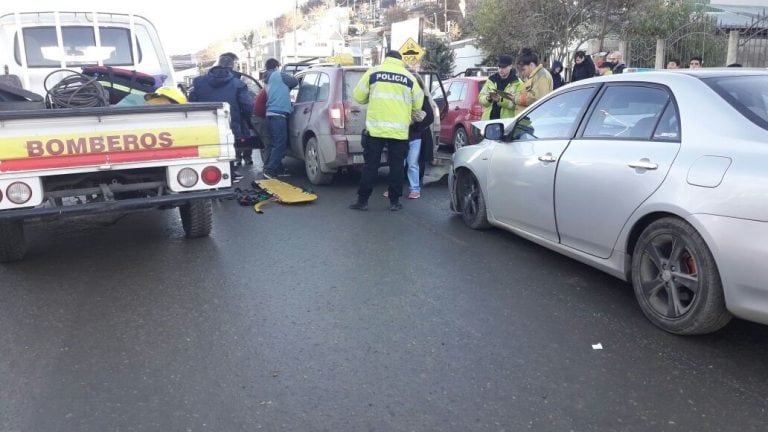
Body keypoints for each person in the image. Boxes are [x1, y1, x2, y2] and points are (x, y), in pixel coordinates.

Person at [348, 50, 424, 212]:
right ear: (400, 61)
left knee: (370, 166)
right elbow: (418, 103)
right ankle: (394, 202)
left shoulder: (374, 72)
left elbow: (358, 96)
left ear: (386, 59)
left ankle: (363, 201)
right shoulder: (409, 77)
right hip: (399, 132)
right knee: (396, 167)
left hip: (376, 130)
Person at [189, 53, 253, 182]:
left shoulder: (198, 81)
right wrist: (247, 118)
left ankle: (206, 174)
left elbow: (191, 101)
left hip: (204, 123)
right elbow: (247, 105)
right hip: (229, 122)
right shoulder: (238, 84)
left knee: (207, 148)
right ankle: (229, 173)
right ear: (231, 68)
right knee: (228, 148)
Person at [262, 58, 299, 179]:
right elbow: (294, 81)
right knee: (279, 144)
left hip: (270, 114)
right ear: (277, 66)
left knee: (274, 143)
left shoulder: (267, 79)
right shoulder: (278, 74)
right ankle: (270, 170)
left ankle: (278, 169)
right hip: (278, 115)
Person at [479, 54, 522, 120]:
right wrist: (488, 98)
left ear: (510, 66)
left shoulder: (518, 83)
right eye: (499, 67)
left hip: (506, 123)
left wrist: (500, 100)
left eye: (503, 67)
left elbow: (517, 105)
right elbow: (480, 98)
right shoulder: (491, 80)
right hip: (489, 122)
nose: (500, 70)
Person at [513, 48, 554, 112]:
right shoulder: (533, 76)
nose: (522, 73)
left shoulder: (542, 76)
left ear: (531, 65)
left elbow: (537, 98)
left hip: (536, 118)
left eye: (523, 70)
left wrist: (516, 98)